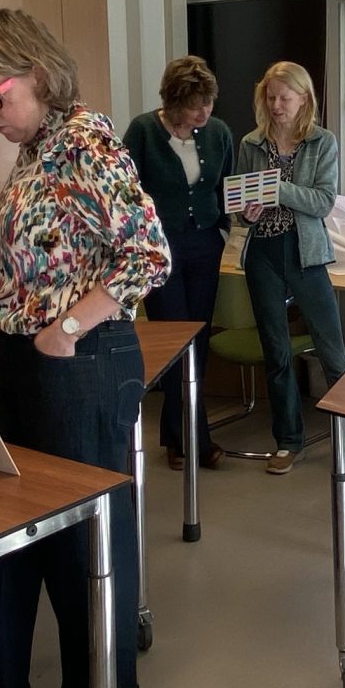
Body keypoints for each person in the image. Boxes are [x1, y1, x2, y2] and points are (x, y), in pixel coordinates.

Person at [0, 9, 168, 688]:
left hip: (81, 364)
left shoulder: (86, 142)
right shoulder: (37, 150)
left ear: (34, 73)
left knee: (81, 545)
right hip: (24, 360)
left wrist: (68, 326)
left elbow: (148, 255)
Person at [235, 63, 345, 479]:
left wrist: (275, 187)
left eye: (285, 97)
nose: (276, 105)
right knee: (276, 354)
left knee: (333, 355)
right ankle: (288, 441)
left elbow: (322, 202)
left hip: (306, 252)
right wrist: (247, 211)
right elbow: (242, 209)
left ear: (304, 99)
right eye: (270, 97)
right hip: (263, 252)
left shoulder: (321, 142)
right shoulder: (251, 143)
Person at [121, 55, 235, 470]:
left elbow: (227, 186)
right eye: (194, 104)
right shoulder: (143, 131)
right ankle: (195, 440)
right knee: (174, 340)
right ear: (172, 101)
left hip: (205, 245)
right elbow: (125, 192)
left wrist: (223, 229)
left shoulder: (218, 132)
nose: (204, 112)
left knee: (198, 341)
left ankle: (177, 435)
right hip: (160, 251)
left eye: (208, 102)